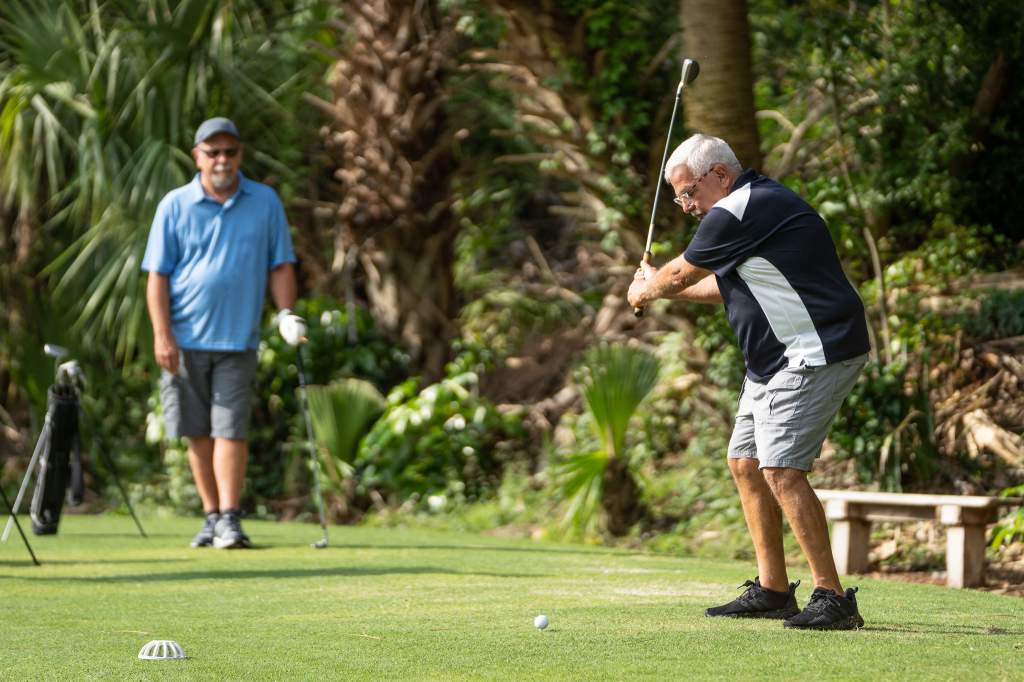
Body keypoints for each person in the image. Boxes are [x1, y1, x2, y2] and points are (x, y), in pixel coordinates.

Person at [627, 134, 871, 630]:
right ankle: (774, 589)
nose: (687, 205)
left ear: (719, 174)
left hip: (817, 348)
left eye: (689, 192)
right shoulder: (747, 214)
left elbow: (677, 274)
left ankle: (832, 596)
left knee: (781, 468)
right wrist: (661, 290)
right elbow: (720, 283)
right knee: (745, 462)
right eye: (678, 198)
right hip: (776, 360)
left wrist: (649, 288)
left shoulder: (742, 208)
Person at [142, 117, 307, 549]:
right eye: (212, 152)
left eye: (229, 152)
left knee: (230, 429)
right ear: (197, 156)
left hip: (238, 338)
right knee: (196, 431)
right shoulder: (174, 205)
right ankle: (211, 516)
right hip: (184, 339)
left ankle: (231, 518)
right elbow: (157, 277)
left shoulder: (265, 202)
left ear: (240, 155)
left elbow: (281, 264)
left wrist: (286, 312)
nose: (222, 160)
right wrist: (162, 335)